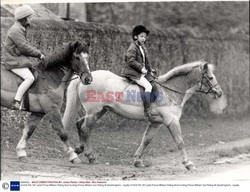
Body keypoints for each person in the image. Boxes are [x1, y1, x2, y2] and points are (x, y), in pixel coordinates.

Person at [3, 5, 45, 110]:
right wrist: (39, 54)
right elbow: (24, 47)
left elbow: (23, 46)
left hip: (16, 58)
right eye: (29, 17)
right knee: (29, 78)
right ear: (24, 18)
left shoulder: (20, 28)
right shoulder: (16, 30)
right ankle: (16, 101)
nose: (31, 19)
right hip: (13, 61)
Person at [121, 25, 157, 118]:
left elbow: (145, 62)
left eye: (145, 37)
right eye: (141, 36)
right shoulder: (133, 47)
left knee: (154, 83)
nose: (143, 38)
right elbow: (131, 60)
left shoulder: (142, 47)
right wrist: (141, 68)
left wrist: (150, 71)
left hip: (140, 72)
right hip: (133, 72)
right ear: (135, 37)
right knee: (148, 86)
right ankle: (147, 110)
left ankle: (153, 106)